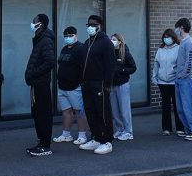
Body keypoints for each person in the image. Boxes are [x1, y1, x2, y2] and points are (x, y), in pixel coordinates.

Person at [78, 15, 116, 155]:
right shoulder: (87, 42)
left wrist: (107, 84)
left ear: (100, 26)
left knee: (103, 112)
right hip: (87, 84)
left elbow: (111, 65)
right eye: (88, 24)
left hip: (99, 83)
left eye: (93, 24)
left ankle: (107, 141)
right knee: (90, 111)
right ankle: (96, 137)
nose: (90, 27)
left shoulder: (105, 42)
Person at [25, 13, 56, 156]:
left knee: (43, 114)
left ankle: (45, 145)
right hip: (36, 83)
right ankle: (41, 142)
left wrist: (33, 73)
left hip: (41, 83)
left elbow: (50, 62)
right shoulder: (39, 39)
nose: (32, 24)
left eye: (34, 21)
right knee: (37, 114)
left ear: (40, 24)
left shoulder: (46, 40)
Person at [54, 26, 90, 146]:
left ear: (75, 36)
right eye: (66, 36)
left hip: (75, 86)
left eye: (70, 35)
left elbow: (84, 67)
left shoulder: (80, 49)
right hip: (62, 86)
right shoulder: (64, 49)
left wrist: (81, 82)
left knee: (79, 111)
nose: (68, 38)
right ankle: (66, 134)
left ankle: (82, 135)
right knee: (66, 111)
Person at [172, 17, 192, 140]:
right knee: (181, 108)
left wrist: (182, 75)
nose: (176, 31)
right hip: (180, 79)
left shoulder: (189, 42)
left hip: (187, 80)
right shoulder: (182, 42)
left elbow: (189, 64)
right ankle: (189, 130)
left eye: (177, 28)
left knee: (189, 106)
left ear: (182, 28)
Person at [152, 28, 184, 136]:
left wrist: (178, 76)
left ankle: (180, 128)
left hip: (174, 82)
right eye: (164, 37)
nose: (166, 39)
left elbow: (180, 65)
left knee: (177, 105)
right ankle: (166, 128)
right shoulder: (160, 50)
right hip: (162, 82)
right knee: (165, 106)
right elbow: (156, 64)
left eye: (168, 37)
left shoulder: (178, 48)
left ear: (173, 38)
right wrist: (154, 77)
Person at [109, 33, 136, 141]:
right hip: (112, 85)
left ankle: (128, 131)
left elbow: (133, 68)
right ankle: (120, 129)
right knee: (115, 110)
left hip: (123, 84)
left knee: (124, 110)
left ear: (120, 41)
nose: (112, 41)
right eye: (111, 39)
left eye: (114, 39)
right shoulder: (110, 53)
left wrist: (122, 70)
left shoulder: (125, 53)